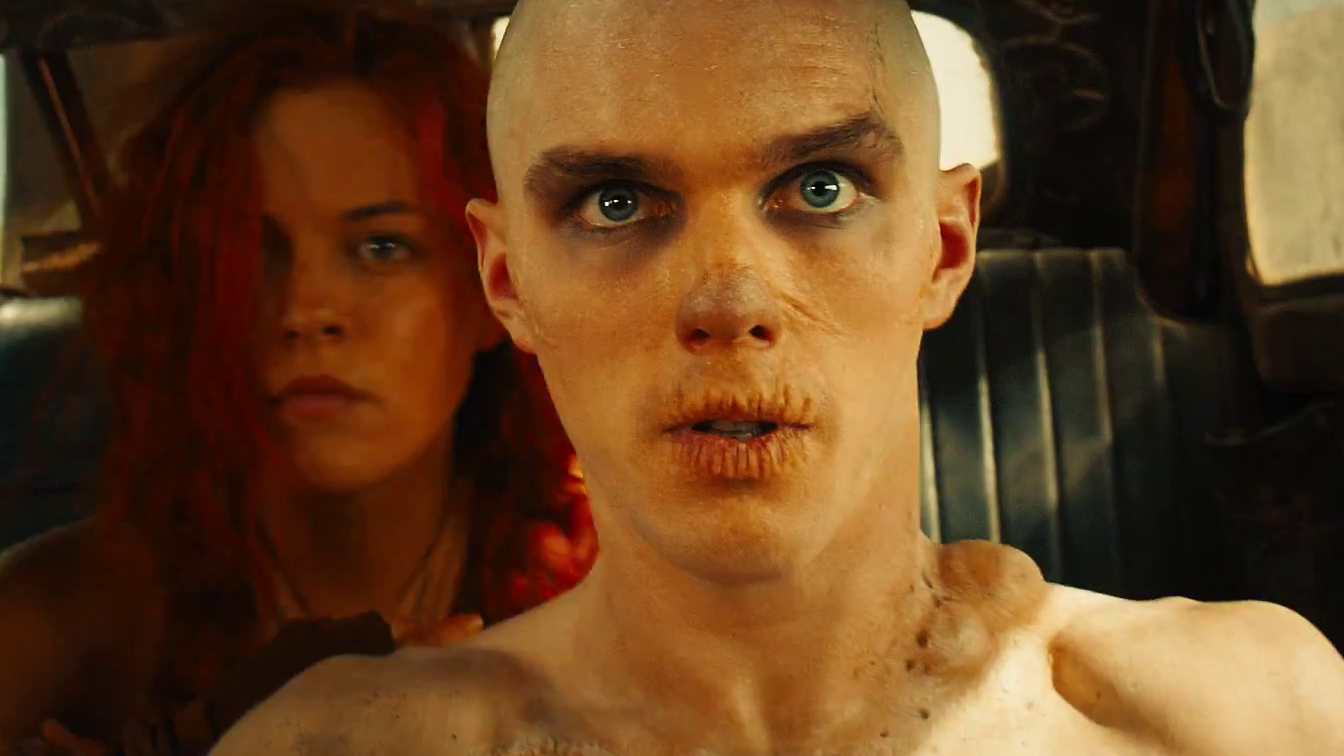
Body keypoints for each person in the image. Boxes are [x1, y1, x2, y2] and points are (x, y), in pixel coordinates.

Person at [212, 0, 1344, 753]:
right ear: (507, 282)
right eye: (617, 203)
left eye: (819, 188)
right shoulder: (333, 746)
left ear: (944, 247)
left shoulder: (1247, 714)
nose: (728, 302)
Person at [0, 0, 595, 752]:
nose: (307, 310)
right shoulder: (69, 614)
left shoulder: (618, 586)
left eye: (382, 248)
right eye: (255, 252)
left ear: (494, 288)